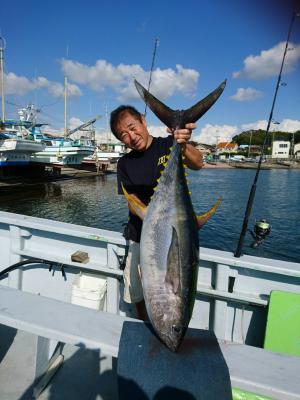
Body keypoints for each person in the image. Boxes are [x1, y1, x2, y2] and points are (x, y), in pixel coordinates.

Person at [110, 105, 203, 319]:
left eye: (132, 127)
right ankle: (145, 324)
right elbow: (130, 200)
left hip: (175, 238)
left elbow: (198, 163)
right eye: (123, 135)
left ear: (143, 120)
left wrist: (182, 142)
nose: (131, 136)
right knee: (136, 292)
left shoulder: (168, 145)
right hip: (139, 237)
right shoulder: (125, 163)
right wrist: (152, 215)